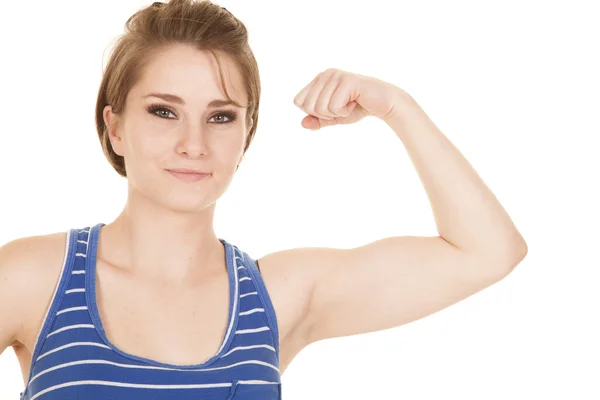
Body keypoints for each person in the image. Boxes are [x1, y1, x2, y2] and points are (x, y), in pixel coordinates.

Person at [0, 0, 528, 399]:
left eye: (221, 116)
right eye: (164, 111)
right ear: (114, 127)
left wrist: (396, 106)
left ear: (246, 134)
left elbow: (488, 252)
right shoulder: (34, 278)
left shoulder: (277, 297)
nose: (194, 143)